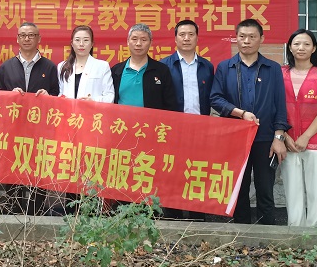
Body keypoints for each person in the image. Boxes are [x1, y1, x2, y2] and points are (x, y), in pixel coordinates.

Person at [210, 19, 289, 225]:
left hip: (265, 138)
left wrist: (279, 137)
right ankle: (241, 233)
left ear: (261, 39)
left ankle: (266, 233)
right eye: (242, 36)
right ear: (235, 39)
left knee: (265, 190)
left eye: (252, 37)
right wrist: (240, 113)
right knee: (238, 189)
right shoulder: (225, 67)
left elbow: (280, 105)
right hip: (236, 139)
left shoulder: (273, 68)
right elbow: (215, 98)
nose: (246, 41)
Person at [0, 22, 59, 214]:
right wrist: (9, 96)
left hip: (41, 131)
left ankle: (36, 212)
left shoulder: (50, 67)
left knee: (38, 170)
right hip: (13, 129)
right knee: (13, 167)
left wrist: (48, 96)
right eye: (23, 35)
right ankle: (13, 211)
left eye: (31, 35)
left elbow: (58, 96)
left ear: (39, 39)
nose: (27, 39)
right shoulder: (7, 67)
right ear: (17, 39)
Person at [160, 19, 214, 220]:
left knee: (196, 174)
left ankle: (197, 219)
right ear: (175, 38)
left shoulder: (207, 66)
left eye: (191, 34)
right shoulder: (164, 65)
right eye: (182, 34)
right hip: (173, 131)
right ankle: (172, 218)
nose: (186, 38)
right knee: (172, 175)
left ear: (197, 38)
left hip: (200, 131)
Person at [281, 29, 317, 227]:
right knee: (292, 190)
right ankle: (294, 232)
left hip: (316, 141)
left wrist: (306, 136)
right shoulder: (281, 73)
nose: (301, 48)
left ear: (314, 48)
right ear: (290, 48)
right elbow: (274, 107)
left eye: (306, 44)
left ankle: (316, 234)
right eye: (296, 44)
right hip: (288, 141)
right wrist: (285, 136)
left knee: (316, 191)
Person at [111, 23, 176, 111]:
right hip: (121, 119)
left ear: (150, 42)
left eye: (143, 40)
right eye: (134, 39)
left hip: (151, 120)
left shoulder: (161, 70)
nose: (138, 44)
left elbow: (170, 104)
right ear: (128, 41)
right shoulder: (116, 71)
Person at [57, 25, 114, 103]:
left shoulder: (102, 66)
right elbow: (60, 93)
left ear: (92, 44)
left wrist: (93, 101)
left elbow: (110, 96)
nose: (81, 44)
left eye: (86, 40)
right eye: (77, 40)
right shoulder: (62, 66)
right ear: (72, 43)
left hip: (92, 110)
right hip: (69, 110)